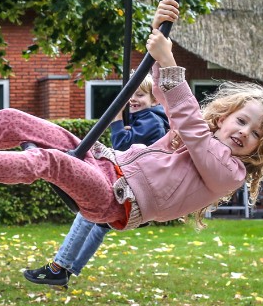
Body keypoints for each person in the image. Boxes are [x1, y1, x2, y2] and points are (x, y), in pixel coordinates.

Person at [0, 0, 263, 254]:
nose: (243, 133)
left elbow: (190, 125)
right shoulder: (198, 136)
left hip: (117, 201)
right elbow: (170, 99)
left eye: (254, 135)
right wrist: (160, 36)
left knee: (47, 160)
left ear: (258, 151)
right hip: (107, 164)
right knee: (12, 119)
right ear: (227, 114)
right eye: (242, 120)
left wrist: (171, 61)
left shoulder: (227, 172)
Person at [23, 73, 170, 287]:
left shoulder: (151, 119)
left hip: (135, 190)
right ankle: (66, 272)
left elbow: (120, 143)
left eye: (140, 95)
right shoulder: (149, 119)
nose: (134, 100)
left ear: (154, 100)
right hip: (138, 189)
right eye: (131, 95)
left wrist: (117, 119)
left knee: (89, 212)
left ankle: (58, 267)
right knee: (99, 224)